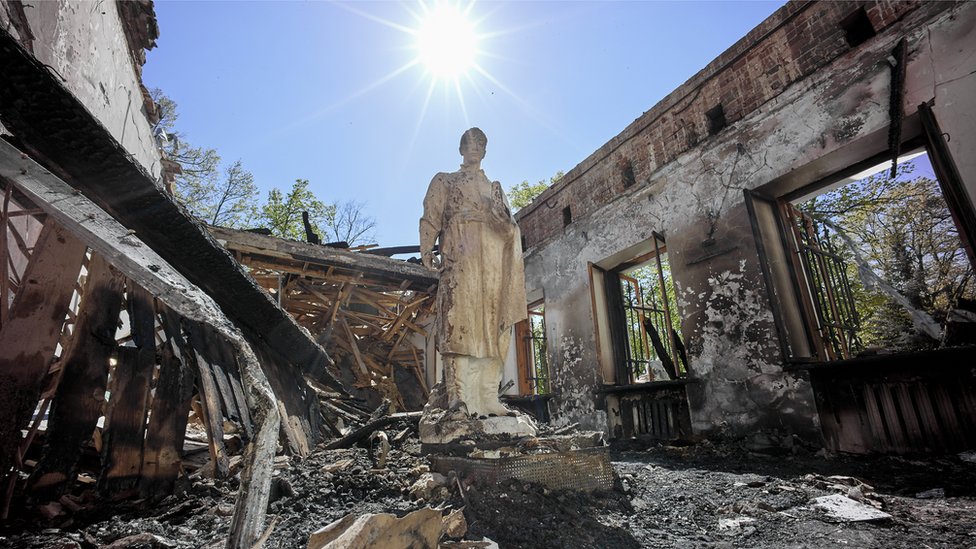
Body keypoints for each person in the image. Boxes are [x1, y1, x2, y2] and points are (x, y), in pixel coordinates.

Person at [420, 128, 527, 417]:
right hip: (461, 257)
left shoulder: (494, 188)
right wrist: (427, 248)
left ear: (486, 150)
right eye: (470, 143)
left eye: (480, 144)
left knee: (493, 327)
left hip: (492, 261)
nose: (475, 148)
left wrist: (498, 217)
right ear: (461, 148)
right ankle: (458, 398)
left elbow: (509, 231)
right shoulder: (446, 180)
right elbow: (431, 215)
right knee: (459, 323)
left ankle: (488, 397)